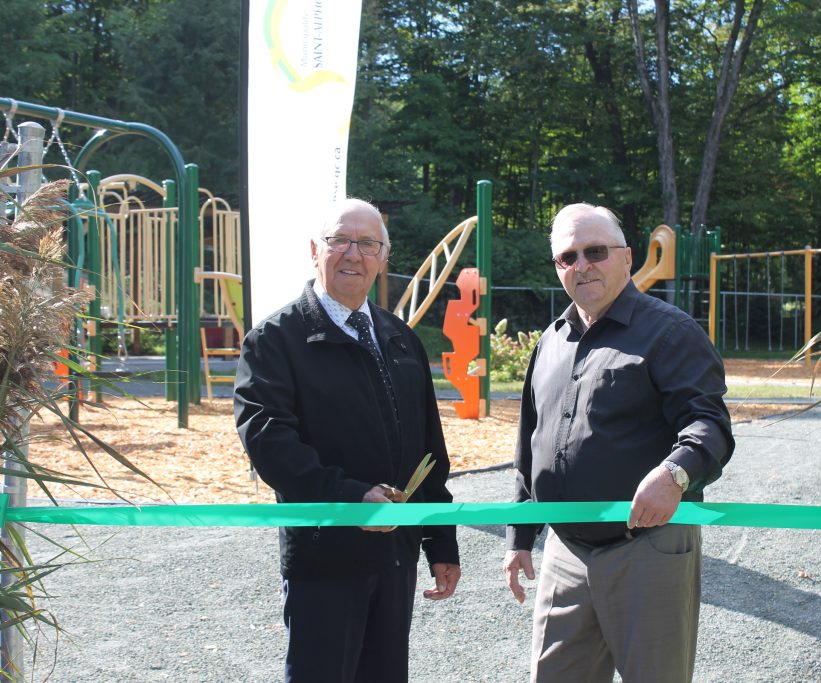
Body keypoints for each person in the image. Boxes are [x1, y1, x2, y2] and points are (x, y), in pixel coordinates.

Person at [502, 203, 734, 683]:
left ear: (627, 258)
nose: (582, 264)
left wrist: (675, 474)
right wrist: (520, 534)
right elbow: (531, 440)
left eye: (595, 251)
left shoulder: (671, 332)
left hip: (646, 546)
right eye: (568, 257)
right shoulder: (552, 340)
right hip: (565, 551)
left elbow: (711, 425)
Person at [234, 198, 461, 683]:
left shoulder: (401, 339)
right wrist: (352, 498)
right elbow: (268, 441)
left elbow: (429, 451)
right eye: (340, 240)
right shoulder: (276, 339)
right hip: (325, 557)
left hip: (395, 557)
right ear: (316, 250)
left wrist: (440, 542)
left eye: (367, 244)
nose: (353, 254)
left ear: (383, 258)